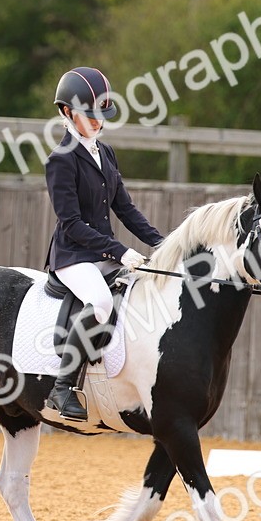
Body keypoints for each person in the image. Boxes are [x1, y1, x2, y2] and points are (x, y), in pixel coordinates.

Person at [43, 66, 165, 421]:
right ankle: (62, 387)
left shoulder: (105, 154)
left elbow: (124, 208)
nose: (98, 122)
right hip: (73, 256)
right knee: (99, 301)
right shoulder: (60, 160)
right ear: (67, 113)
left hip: (102, 252)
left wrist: (163, 243)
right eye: (89, 115)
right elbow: (72, 224)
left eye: (102, 116)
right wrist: (120, 250)